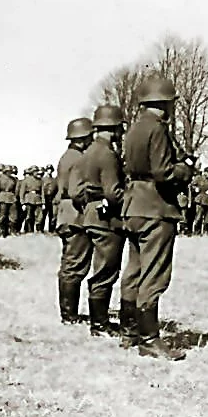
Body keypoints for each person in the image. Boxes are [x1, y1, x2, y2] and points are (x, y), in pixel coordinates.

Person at [118, 75, 191, 360]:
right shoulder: (158, 129)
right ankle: (149, 339)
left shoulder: (134, 129)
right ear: (165, 103)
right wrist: (184, 170)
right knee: (154, 274)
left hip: (134, 205)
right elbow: (164, 173)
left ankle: (129, 332)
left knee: (134, 270)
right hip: (156, 207)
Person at [72, 104, 127, 336]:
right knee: (106, 272)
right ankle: (99, 325)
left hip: (91, 214)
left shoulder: (89, 152)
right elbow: (113, 192)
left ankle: (99, 321)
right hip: (106, 218)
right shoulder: (107, 154)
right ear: (114, 128)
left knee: (101, 270)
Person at [55, 118, 94, 324]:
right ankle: (69, 315)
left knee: (70, 263)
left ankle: (68, 313)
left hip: (66, 213)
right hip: (76, 214)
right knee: (75, 265)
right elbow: (77, 191)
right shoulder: (78, 159)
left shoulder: (68, 156)